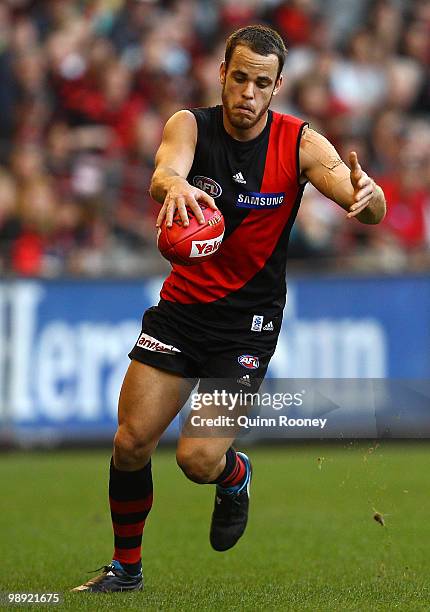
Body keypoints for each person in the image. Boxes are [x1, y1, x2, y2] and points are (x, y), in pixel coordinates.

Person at [72, 25, 386, 593]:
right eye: (238, 77)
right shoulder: (190, 124)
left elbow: (361, 201)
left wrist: (372, 197)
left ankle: (235, 473)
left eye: (261, 83)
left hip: (247, 326)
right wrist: (174, 186)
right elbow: (166, 168)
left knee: (196, 460)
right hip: (182, 311)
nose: (247, 92)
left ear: (277, 87)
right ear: (222, 73)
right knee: (130, 442)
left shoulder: (300, 143)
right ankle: (125, 570)